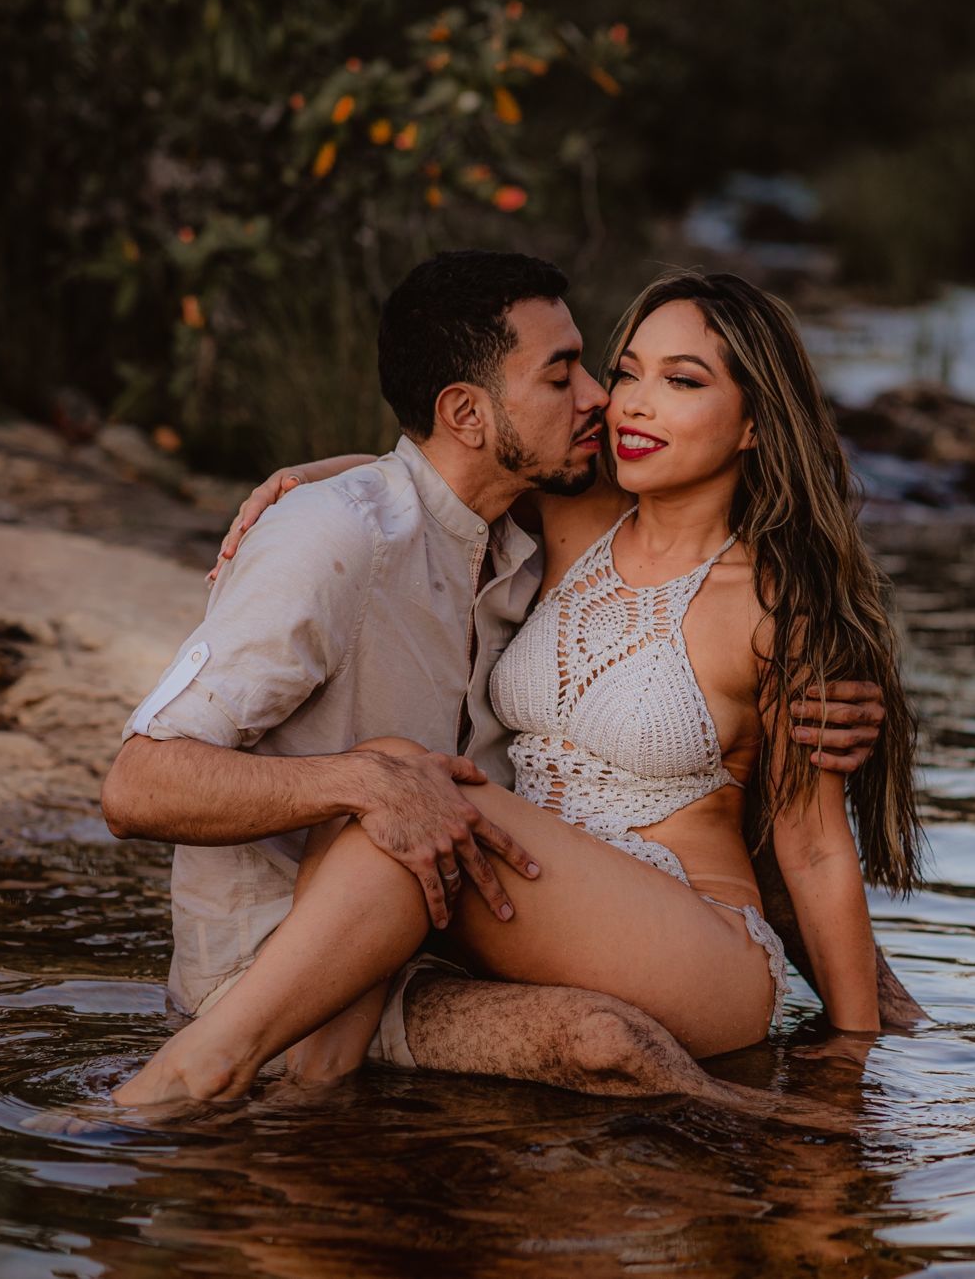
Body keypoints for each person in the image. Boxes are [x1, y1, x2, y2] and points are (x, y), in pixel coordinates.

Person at [104, 252, 921, 1109]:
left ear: (755, 424)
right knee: (398, 783)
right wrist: (317, 481)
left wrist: (851, 1056)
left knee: (417, 788)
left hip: (697, 945)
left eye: (680, 381)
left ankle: (198, 1071)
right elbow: (448, 469)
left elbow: (817, 845)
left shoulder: (776, 606)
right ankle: (303, 1086)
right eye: (621, 372)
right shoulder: (570, 519)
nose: (623, 402)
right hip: (529, 909)